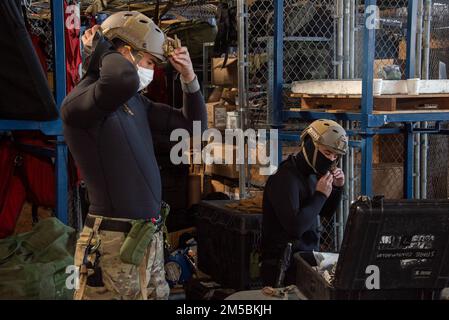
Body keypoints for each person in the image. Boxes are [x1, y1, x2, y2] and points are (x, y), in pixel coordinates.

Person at [61, 11, 207, 300]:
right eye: (149, 61)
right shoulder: (79, 104)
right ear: (124, 52)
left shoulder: (134, 103)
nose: (150, 70)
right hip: (112, 244)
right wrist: (104, 49)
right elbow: (122, 78)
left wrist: (189, 77)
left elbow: (194, 125)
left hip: (144, 240)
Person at [261, 119, 348, 286]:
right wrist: (321, 195)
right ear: (310, 145)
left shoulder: (313, 174)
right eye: (327, 152)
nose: (331, 160)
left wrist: (336, 189)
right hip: (282, 267)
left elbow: (324, 212)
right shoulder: (285, 178)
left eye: (335, 156)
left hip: (304, 261)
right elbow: (295, 228)